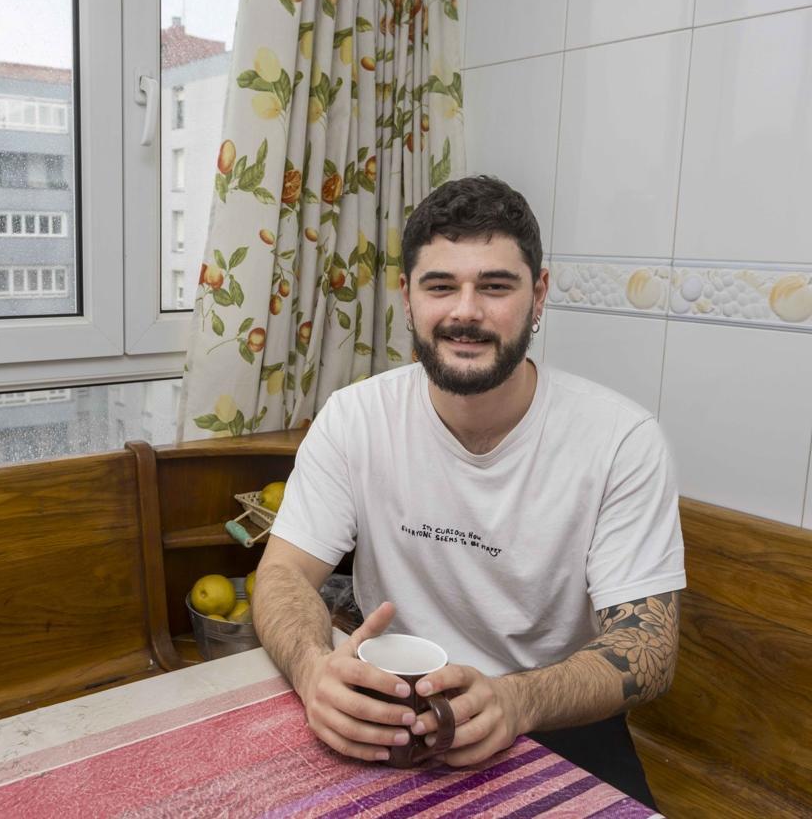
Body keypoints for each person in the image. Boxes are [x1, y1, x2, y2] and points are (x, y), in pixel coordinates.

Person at [252, 175, 685, 807]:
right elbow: (282, 574)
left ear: (538, 295)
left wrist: (515, 700)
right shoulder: (353, 418)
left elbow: (648, 649)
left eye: (495, 286)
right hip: (388, 708)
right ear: (407, 297)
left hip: (554, 720)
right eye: (440, 286)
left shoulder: (621, 440)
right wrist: (314, 671)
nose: (466, 312)